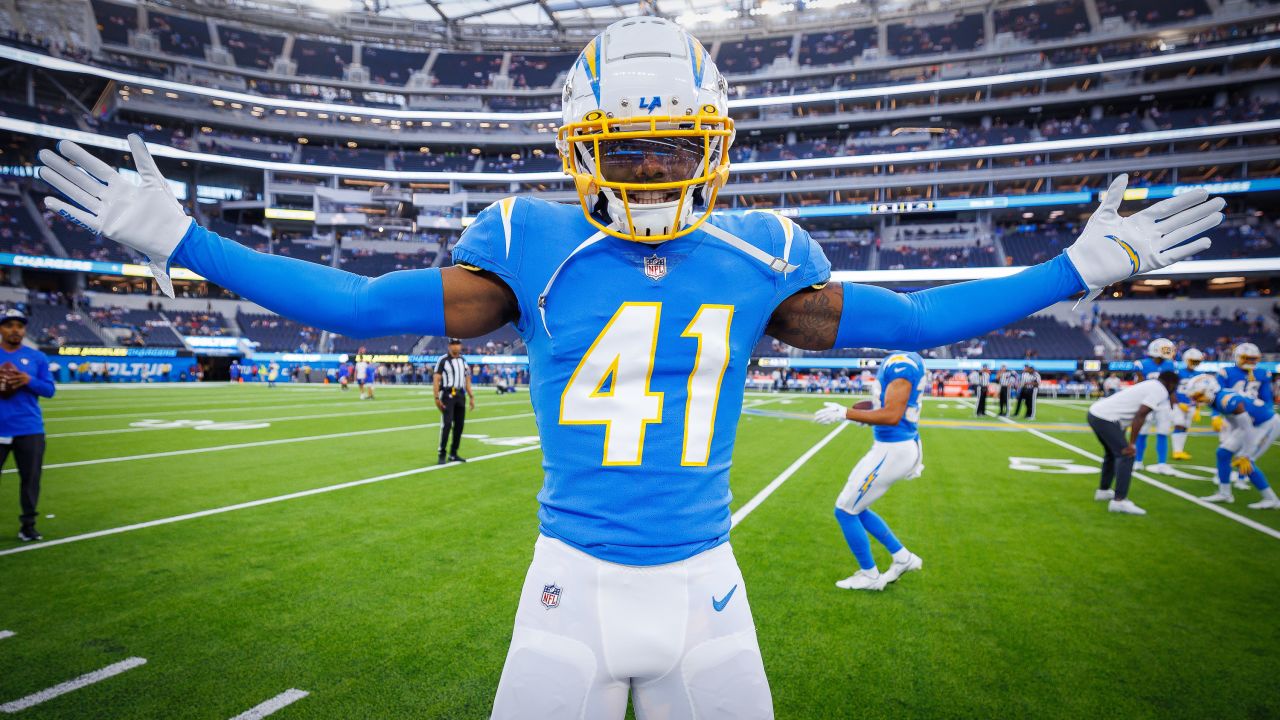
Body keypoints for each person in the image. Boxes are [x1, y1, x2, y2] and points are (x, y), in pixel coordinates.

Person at [36, 14, 1221, 715]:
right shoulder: (535, 243)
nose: (652, 172)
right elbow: (357, 307)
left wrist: (1076, 269)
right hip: (572, 586)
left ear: (711, 143)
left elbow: (907, 321)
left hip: (707, 588)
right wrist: (179, 238)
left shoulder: (755, 252)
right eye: (627, 148)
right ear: (578, 146)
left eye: (672, 146)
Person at [814, 352, 926, 591]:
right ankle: (903, 558)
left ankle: (870, 576)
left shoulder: (900, 365)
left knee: (845, 510)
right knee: (857, 508)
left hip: (893, 449)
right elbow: (890, 409)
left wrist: (845, 412)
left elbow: (892, 415)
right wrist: (867, 415)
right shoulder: (905, 358)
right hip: (894, 446)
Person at [1086, 370, 1178, 516]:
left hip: (1097, 413)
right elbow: (1140, 414)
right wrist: (1132, 444)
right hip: (1106, 417)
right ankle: (1119, 501)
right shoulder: (1160, 390)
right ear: (1171, 383)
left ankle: (1103, 491)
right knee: (1127, 455)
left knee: (1112, 453)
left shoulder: (1151, 384)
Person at [0, 309, 55, 541]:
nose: (15, 329)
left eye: (20, 326)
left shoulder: (37, 358)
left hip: (29, 428)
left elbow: (49, 390)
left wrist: (27, 380)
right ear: (1, 329)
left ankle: (28, 525)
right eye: (10, 325)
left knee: (31, 480)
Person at [1192, 374, 1280, 509]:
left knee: (1245, 461)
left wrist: (1246, 452)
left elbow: (1247, 428)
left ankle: (1271, 499)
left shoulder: (1226, 400)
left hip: (1266, 424)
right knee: (1223, 453)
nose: (1197, 400)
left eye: (1199, 395)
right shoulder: (1216, 400)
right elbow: (1236, 423)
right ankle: (1224, 493)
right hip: (1252, 424)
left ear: (1210, 390)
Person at [1133, 337, 1177, 474]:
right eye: (1165, 349)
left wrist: (1172, 405)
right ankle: (1138, 461)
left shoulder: (1170, 365)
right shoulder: (1142, 364)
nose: (1168, 352)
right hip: (1147, 402)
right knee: (1142, 432)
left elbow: (1172, 387)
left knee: (1163, 432)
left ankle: (1162, 463)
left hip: (1163, 403)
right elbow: (1138, 386)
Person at [434, 338, 473, 465]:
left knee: (459, 426)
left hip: (460, 394)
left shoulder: (463, 361)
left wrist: (471, 396)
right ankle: (442, 453)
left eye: (457, 344)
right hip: (447, 394)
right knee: (447, 424)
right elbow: (436, 379)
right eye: (453, 344)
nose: (456, 347)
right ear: (449, 346)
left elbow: (467, 379)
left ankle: (453, 453)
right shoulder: (443, 360)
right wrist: (436, 397)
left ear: (460, 346)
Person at [1170, 348, 1206, 460]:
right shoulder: (1178, 372)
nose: (1194, 363)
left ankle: (1180, 450)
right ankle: (1176, 451)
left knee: (1185, 427)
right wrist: (1177, 403)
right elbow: (1171, 389)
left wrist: (1198, 407)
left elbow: (1202, 392)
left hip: (1191, 405)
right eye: (1192, 360)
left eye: (1196, 361)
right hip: (1179, 404)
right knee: (1179, 424)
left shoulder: (1200, 375)